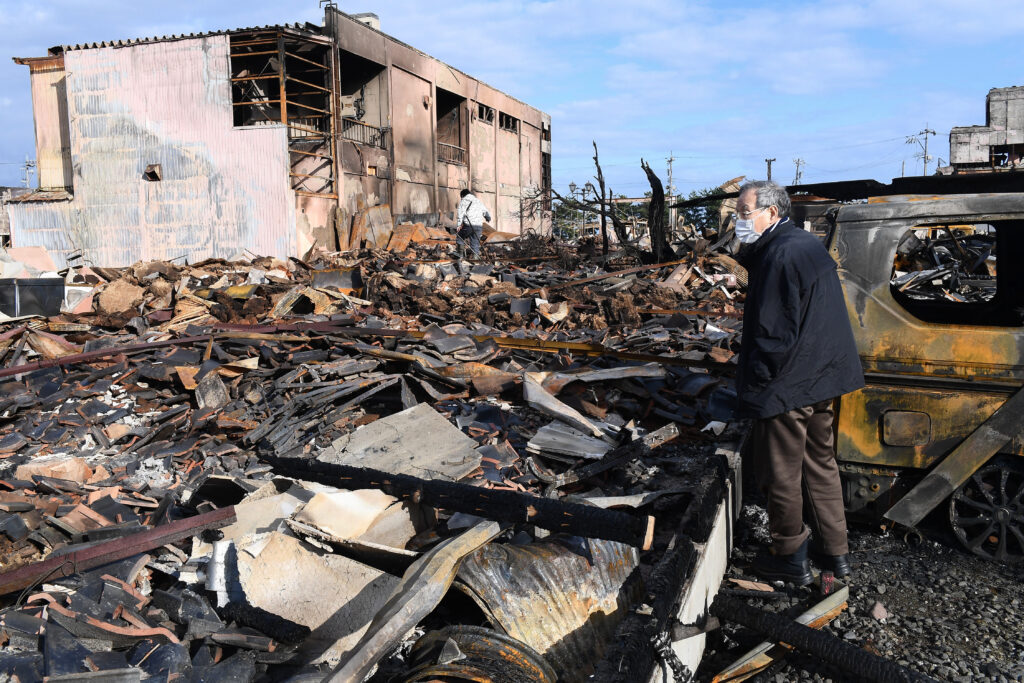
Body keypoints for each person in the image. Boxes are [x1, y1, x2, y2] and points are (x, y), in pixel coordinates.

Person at [734, 180, 864, 586]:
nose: (739, 221)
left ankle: (790, 558)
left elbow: (772, 336)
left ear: (771, 213)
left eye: (744, 212)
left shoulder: (779, 255)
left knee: (781, 473)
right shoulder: (804, 245)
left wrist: (754, 390)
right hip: (823, 377)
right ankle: (834, 553)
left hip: (791, 383)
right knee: (820, 465)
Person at [456, 189, 491, 257]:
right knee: (475, 242)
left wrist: (458, 225)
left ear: (463, 195)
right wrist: (488, 217)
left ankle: (460, 254)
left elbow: (460, 214)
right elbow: (485, 211)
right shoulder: (478, 201)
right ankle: (475, 259)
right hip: (479, 226)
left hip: (469, 225)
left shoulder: (464, 201)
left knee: (460, 236)